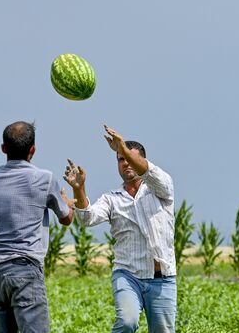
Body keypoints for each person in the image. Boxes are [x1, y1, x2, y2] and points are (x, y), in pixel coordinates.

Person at [63, 125, 176, 333]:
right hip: (127, 274)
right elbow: (88, 218)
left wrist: (123, 149)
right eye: (121, 159)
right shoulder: (112, 198)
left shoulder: (161, 188)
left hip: (162, 278)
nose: (125, 163)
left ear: (142, 161)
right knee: (127, 322)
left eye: (129, 158)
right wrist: (78, 189)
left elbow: (151, 173)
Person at [0, 121, 74, 333]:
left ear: (3, 148)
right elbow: (66, 219)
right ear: (33, 149)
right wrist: (68, 202)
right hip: (24, 268)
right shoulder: (44, 178)